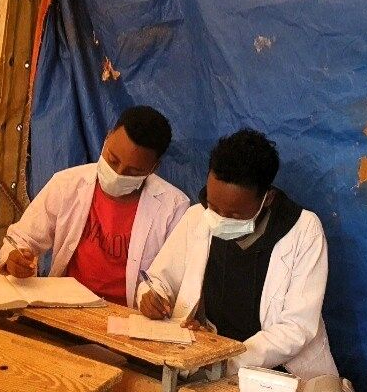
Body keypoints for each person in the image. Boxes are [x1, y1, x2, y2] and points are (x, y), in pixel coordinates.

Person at [139, 128, 338, 379]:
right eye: (213, 205)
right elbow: (159, 280)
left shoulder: (303, 230)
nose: (220, 218)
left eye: (234, 214)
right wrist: (151, 295)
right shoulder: (197, 217)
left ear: (267, 199)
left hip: (279, 374)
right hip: (209, 365)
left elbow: (296, 328)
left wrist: (226, 357)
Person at [0, 105, 190, 307]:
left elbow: (173, 280)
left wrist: (157, 298)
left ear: (153, 168)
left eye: (133, 172)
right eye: (112, 160)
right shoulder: (67, 184)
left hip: (128, 318)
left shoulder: (174, 208)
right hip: (66, 306)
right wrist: (14, 257)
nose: (118, 173)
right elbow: (21, 238)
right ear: (107, 138)